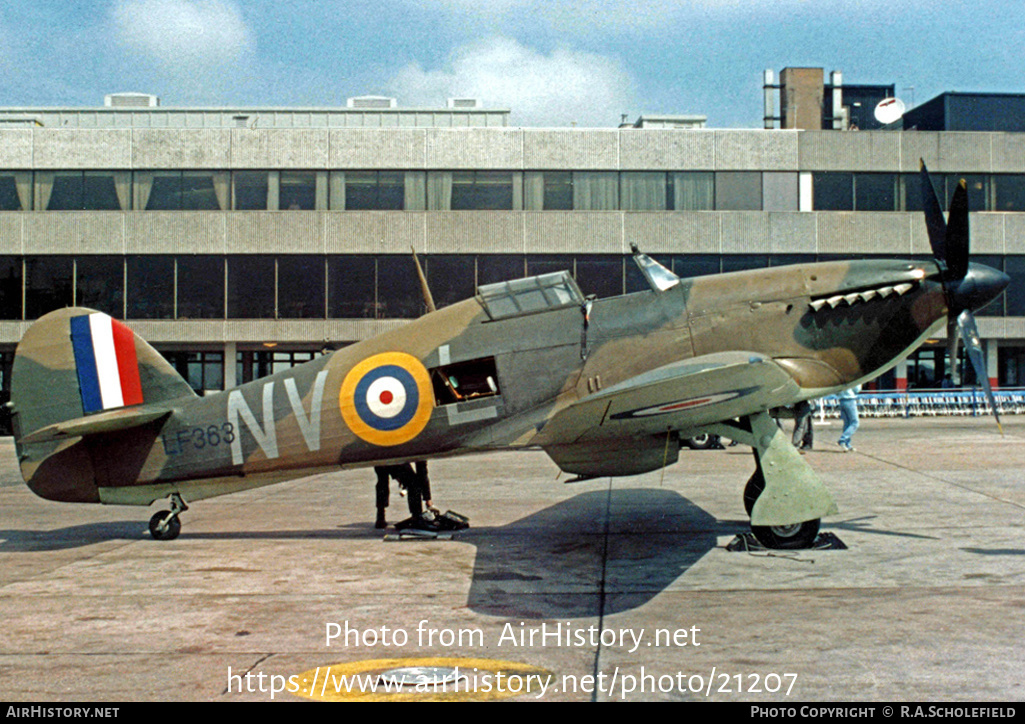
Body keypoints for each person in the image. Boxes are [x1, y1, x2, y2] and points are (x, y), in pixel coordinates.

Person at [373, 460, 433, 529]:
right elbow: (422, 471)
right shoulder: (421, 449)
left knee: (382, 480)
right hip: (395, 458)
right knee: (413, 483)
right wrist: (427, 499)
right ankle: (416, 517)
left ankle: (380, 517)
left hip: (379, 454)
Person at [837, 385, 861, 452]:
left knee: (847, 423)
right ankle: (842, 439)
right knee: (855, 423)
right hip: (850, 399)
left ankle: (847, 444)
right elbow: (856, 389)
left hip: (841, 400)